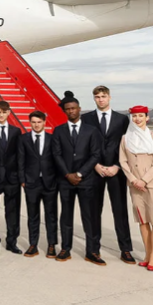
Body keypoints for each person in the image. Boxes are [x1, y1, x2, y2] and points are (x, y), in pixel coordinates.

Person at [82, 85, 135, 264]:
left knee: (120, 211)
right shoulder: (86, 119)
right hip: (94, 171)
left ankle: (126, 249)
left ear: (110, 97)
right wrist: (95, 165)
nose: (101, 99)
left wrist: (118, 166)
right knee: (93, 212)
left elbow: (128, 146)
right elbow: (83, 146)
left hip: (116, 171)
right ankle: (93, 250)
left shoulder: (122, 120)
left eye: (103, 96)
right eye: (97, 97)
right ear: (94, 99)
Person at [51, 92, 103, 265]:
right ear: (65, 111)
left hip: (86, 180)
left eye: (73, 108)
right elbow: (56, 154)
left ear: (79, 109)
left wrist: (79, 174)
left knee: (90, 217)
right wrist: (67, 174)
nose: (71, 111)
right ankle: (66, 248)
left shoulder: (91, 131)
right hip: (65, 181)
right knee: (66, 216)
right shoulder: (58, 131)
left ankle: (93, 251)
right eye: (68, 109)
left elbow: (95, 155)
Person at [118, 106, 153, 271]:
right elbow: (123, 161)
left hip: (152, 184)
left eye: (140, 116)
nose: (137, 118)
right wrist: (133, 179)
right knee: (143, 220)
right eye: (134, 116)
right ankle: (147, 254)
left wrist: (143, 180)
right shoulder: (126, 139)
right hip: (134, 185)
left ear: (147, 118)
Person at [17, 111, 59, 259]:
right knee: (32, 216)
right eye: (33, 122)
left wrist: (57, 180)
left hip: (49, 183)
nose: (36, 125)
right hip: (31, 183)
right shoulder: (23, 139)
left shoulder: (52, 139)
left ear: (44, 122)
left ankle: (52, 245)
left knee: (51, 216)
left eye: (39, 122)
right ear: (30, 123)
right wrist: (23, 180)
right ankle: (33, 244)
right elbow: (20, 160)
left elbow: (56, 160)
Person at [0, 101, 23, 254]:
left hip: (12, 178)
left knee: (13, 211)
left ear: (9, 112)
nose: (1, 115)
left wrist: (20, 177)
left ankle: (11, 241)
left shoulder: (16, 131)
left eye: (4, 112)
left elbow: (19, 155)